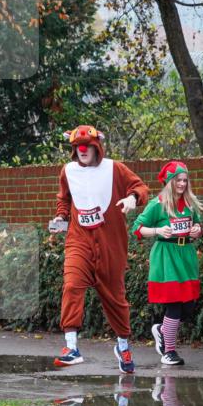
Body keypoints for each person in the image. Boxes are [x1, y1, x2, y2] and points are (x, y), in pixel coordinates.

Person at [49, 125, 149, 373]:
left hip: (110, 243)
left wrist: (132, 198)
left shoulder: (114, 168)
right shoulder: (68, 171)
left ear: (97, 147)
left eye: (87, 146)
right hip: (79, 240)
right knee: (72, 284)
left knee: (115, 299)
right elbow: (64, 199)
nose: (82, 150)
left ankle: (123, 345)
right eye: (77, 147)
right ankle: (71, 346)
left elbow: (140, 187)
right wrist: (61, 217)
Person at [132, 160, 203, 365]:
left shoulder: (190, 203)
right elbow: (137, 228)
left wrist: (197, 230)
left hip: (186, 255)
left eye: (185, 180)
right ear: (169, 182)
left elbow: (198, 224)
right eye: (177, 180)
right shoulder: (158, 203)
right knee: (174, 304)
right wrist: (157, 231)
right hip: (166, 256)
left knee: (188, 307)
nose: (182, 184)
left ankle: (163, 330)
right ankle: (169, 352)